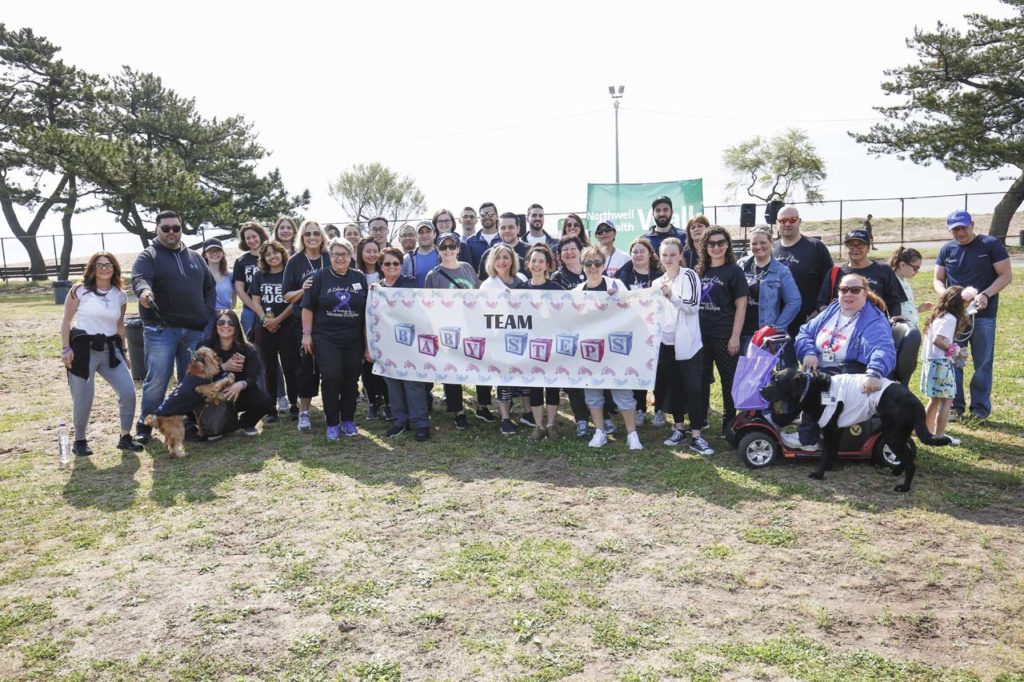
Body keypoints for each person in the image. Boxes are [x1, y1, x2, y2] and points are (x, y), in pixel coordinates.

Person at [783, 273, 896, 450]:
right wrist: (809, 352)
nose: (848, 294)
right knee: (787, 378)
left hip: (849, 372)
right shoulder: (834, 309)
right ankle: (783, 418)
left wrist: (875, 372)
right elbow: (805, 332)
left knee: (816, 386)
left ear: (865, 293)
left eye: (855, 290)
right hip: (821, 366)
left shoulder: (873, 320)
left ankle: (808, 439)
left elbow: (883, 349)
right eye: (844, 289)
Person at [131, 210, 215, 444]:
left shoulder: (195, 257)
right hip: (161, 329)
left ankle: (185, 422)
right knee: (158, 378)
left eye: (176, 228)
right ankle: (146, 422)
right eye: (166, 228)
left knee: (190, 379)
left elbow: (209, 287)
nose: (171, 232)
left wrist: (207, 312)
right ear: (157, 230)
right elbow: (139, 279)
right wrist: (144, 292)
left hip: (193, 330)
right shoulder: (148, 256)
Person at [934, 210, 1012, 421]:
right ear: (949, 230)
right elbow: (938, 279)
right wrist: (946, 296)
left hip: (984, 316)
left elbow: (1005, 275)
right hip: (955, 317)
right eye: (955, 229)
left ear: (973, 225)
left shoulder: (990, 245)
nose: (960, 233)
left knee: (983, 362)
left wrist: (986, 294)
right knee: (953, 358)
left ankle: (979, 409)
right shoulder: (947, 249)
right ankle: (954, 405)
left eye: (964, 228)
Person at [61, 252, 142, 455]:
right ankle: (80, 441)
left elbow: (119, 326)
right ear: (92, 268)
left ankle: (125, 437)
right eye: (99, 265)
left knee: (128, 392)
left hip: (110, 349)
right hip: (82, 349)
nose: (104, 268)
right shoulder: (79, 290)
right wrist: (66, 348)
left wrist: (124, 351)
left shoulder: (120, 295)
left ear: (114, 269)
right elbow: (66, 321)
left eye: (108, 265)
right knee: (84, 397)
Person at [152, 309, 274, 438]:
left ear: (236, 327)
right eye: (221, 323)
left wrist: (240, 384)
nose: (225, 326)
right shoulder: (205, 346)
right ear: (215, 325)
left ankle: (245, 423)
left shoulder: (247, 349)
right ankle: (191, 423)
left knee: (264, 401)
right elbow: (195, 375)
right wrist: (224, 367)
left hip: (235, 393)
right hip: (210, 393)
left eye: (231, 323)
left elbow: (252, 378)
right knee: (190, 393)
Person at [575, 246, 642, 450]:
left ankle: (632, 434)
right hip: (589, 351)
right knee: (592, 392)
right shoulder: (576, 292)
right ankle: (599, 431)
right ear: (582, 266)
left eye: (597, 262)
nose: (593, 267)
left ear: (604, 265)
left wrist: (618, 299)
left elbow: (633, 311)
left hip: (615, 350)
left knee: (623, 391)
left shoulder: (617, 285)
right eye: (588, 263)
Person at [301, 238, 369, 440]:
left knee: (351, 378)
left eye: (344, 254)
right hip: (326, 337)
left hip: (354, 338)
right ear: (329, 256)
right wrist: (306, 334)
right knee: (331, 376)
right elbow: (307, 307)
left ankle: (348, 419)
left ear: (351, 256)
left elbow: (367, 309)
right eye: (336, 254)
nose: (340, 258)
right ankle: (332, 422)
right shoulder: (320, 277)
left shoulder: (359, 277)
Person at [654, 238, 714, 456]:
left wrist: (671, 295)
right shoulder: (656, 283)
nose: (668, 259)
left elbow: (692, 305)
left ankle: (696, 435)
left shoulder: (689, 276)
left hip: (689, 345)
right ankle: (679, 428)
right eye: (664, 255)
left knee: (694, 388)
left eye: (673, 254)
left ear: (681, 255)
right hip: (665, 344)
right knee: (674, 388)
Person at [422, 232, 488, 429]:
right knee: (452, 369)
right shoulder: (433, 275)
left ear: (458, 249)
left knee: (479, 364)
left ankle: (483, 406)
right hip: (448, 330)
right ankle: (458, 411)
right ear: (438, 250)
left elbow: (479, 292)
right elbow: (428, 304)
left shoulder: (467, 268)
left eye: (452, 246)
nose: (448, 250)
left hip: (473, 325)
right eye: (444, 247)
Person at [373, 247, 430, 441]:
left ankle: (421, 423)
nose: (392, 267)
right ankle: (400, 421)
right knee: (393, 382)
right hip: (387, 343)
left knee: (413, 383)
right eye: (387, 263)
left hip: (410, 342)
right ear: (381, 266)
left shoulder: (410, 283)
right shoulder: (376, 289)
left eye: (396, 263)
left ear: (401, 265)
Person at [696, 226, 749, 436]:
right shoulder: (700, 270)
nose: (716, 247)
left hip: (724, 335)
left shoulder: (734, 271)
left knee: (728, 381)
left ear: (727, 245)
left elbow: (741, 306)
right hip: (701, 336)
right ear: (705, 246)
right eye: (712, 243)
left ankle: (729, 424)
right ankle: (701, 419)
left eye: (720, 243)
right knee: (701, 380)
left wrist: (735, 336)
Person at [282, 220, 329, 431]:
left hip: (330, 322)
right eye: (307, 234)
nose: (312, 237)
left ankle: (331, 410)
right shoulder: (295, 261)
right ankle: (304, 412)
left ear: (322, 236)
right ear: (302, 237)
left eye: (316, 233)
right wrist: (303, 289)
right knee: (305, 369)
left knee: (330, 368)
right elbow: (286, 296)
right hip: (301, 324)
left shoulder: (330, 257)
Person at [615, 237, 665, 425]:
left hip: (658, 329)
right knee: (637, 369)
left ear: (650, 253)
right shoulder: (623, 274)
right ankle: (640, 409)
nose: (638, 255)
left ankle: (659, 408)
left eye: (642, 251)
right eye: (634, 252)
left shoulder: (660, 273)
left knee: (659, 370)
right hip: (634, 329)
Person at [480, 243, 528, 436]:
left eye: (506, 257)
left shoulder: (522, 279)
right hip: (499, 338)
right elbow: (482, 313)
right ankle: (505, 418)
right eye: (498, 258)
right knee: (504, 376)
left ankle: (528, 413)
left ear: (512, 260)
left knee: (524, 374)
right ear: (492, 261)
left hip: (523, 335)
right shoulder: (488, 285)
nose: (502, 261)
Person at [248, 240, 298, 424]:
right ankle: (271, 408)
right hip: (264, 329)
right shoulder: (259, 275)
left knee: (290, 367)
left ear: (282, 253)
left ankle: (294, 405)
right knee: (269, 369)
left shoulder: (290, 273)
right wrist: (264, 320)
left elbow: (294, 301)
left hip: (287, 327)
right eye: (268, 254)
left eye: (275, 252)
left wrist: (278, 320)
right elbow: (255, 300)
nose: (272, 256)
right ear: (263, 258)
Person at [772, 205, 834, 345]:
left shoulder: (815, 247)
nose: (787, 223)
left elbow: (830, 282)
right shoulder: (771, 248)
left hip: (808, 321)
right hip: (778, 321)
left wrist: (819, 311)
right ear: (777, 223)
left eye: (792, 219)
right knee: (781, 359)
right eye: (783, 220)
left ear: (799, 221)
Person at [522, 244, 565, 441]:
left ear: (548, 265)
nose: (537, 264)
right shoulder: (521, 290)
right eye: (534, 261)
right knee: (535, 386)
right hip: (530, 346)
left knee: (552, 385)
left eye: (541, 261)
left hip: (552, 345)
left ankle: (551, 424)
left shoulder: (556, 289)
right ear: (528, 264)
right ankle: (538, 426)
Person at [736, 226, 801, 354]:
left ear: (771, 243)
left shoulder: (781, 271)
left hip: (763, 336)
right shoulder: (741, 265)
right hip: (739, 333)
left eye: (763, 242)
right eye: (754, 243)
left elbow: (794, 301)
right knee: (739, 367)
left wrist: (775, 328)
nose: (758, 247)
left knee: (760, 368)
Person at [921, 286, 970, 446]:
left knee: (934, 400)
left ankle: (926, 432)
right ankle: (939, 435)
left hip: (932, 362)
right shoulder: (950, 319)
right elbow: (938, 340)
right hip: (940, 364)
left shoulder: (939, 316)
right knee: (947, 401)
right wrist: (955, 351)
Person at [818, 229, 905, 317]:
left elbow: (894, 302)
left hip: (875, 324)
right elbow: (821, 303)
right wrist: (831, 315)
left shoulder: (884, 270)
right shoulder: (835, 273)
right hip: (843, 324)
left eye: (860, 245)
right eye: (850, 245)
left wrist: (895, 318)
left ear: (868, 248)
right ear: (845, 248)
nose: (855, 249)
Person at [233, 222, 269, 338]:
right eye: (247, 238)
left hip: (271, 309)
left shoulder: (271, 257)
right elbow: (240, 290)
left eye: (254, 236)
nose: (252, 240)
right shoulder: (241, 261)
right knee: (252, 345)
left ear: (260, 235)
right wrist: (257, 309)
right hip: (250, 311)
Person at [478, 212, 528, 281]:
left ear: (518, 229)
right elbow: (482, 282)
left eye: (511, 227)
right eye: (503, 228)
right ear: (498, 230)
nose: (507, 231)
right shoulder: (489, 254)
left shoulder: (530, 252)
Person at [889, 246, 930, 330]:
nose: (917, 271)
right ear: (902, 265)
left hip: (909, 330)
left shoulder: (905, 284)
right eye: (915, 268)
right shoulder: (891, 283)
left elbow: (905, 309)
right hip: (898, 331)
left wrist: (918, 309)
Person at [202, 238, 236, 336]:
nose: (214, 253)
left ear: (223, 253)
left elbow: (234, 294)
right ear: (205, 255)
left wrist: (230, 311)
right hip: (207, 317)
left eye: (217, 250)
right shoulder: (201, 274)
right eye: (210, 251)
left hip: (225, 316)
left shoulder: (230, 275)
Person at [401, 221, 440, 288]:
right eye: (421, 232)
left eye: (428, 231)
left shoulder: (444, 256)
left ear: (434, 234)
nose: (424, 235)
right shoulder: (407, 259)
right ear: (416, 236)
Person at [466, 202, 501, 269]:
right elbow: (468, 268)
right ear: (479, 217)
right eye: (483, 214)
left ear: (497, 216)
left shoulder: (504, 239)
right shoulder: (470, 241)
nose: (487, 217)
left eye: (490, 214)